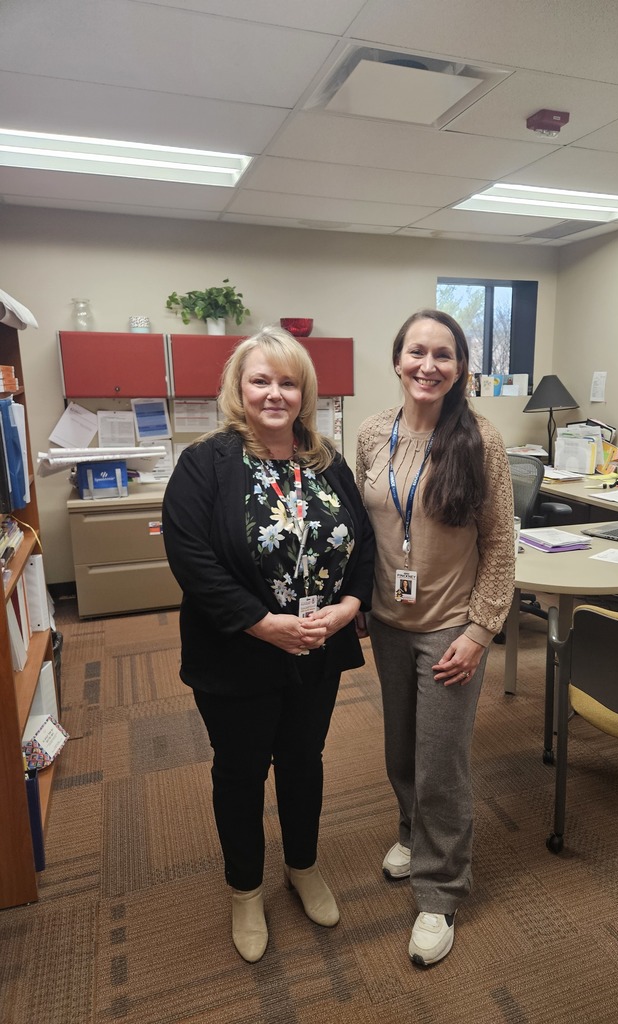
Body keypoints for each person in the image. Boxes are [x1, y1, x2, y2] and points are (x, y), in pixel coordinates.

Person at [163, 326, 374, 963]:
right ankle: (245, 889)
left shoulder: (327, 460)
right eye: (262, 380)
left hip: (318, 647)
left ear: (304, 391)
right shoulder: (206, 462)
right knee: (241, 771)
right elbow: (190, 557)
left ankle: (303, 866)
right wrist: (262, 623)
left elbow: (361, 541)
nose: (275, 393)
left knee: (304, 759)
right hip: (237, 653)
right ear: (240, 388)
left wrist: (349, 607)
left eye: (288, 382)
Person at [355, 309, 515, 967]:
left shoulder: (481, 439)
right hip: (389, 624)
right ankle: (410, 834)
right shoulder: (371, 433)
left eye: (443, 355)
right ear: (398, 360)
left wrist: (481, 632)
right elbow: (362, 528)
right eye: (416, 352)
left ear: (461, 369)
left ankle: (440, 891)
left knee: (440, 759)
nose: (428, 365)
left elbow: (501, 543)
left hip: (452, 630)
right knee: (400, 746)